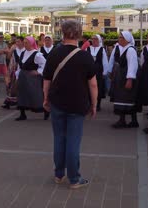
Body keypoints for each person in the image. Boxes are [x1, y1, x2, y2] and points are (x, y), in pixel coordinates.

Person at [43, 19, 97, 189]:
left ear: (63, 33)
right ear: (79, 34)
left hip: (57, 102)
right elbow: (93, 84)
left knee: (59, 138)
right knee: (73, 141)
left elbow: (47, 79)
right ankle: (74, 179)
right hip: (78, 104)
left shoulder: (54, 53)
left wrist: (45, 98)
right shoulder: (85, 56)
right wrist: (94, 105)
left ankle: (59, 174)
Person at [108, 31, 140, 129]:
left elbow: (132, 65)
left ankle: (126, 121)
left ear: (126, 39)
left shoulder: (130, 50)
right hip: (120, 76)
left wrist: (129, 79)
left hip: (126, 76)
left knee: (127, 97)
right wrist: (110, 71)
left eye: (121, 37)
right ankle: (128, 120)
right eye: (119, 37)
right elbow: (113, 60)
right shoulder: (122, 48)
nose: (119, 39)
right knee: (122, 97)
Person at [15, 36, 47, 121]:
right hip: (23, 77)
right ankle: (22, 114)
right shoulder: (23, 53)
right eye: (24, 42)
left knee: (35, 95)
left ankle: (46, 111)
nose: (24, 44)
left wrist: (38, 71)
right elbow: (19, 66)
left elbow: (45, 65)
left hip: (33, 79)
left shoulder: (37, 54)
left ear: (32, 43)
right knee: (22, 94)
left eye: (26, 42)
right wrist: (17, 76)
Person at [87, 35, 108, 111]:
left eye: (96, 39)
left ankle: (97, 104)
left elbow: (105, 61)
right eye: (93, 39)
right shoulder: (88, 48)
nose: (94, 40)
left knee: (98, 88)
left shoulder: (102, 49)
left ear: (99, 40)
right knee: (89, 88)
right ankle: (90, 104)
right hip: (89, 71)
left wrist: (105, 72)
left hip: (99, 72)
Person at [2, 36, 25, 109]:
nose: (17, 43)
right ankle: (9, 102)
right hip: (15, 70)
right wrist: (9, 71)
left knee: (22, 88)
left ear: (22, 42)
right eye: (16, 42)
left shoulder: (26, 50)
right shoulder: (15, 50)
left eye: (18, 41)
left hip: (23, 70)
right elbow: (10, 59)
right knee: (12, 87)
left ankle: (21, 103)